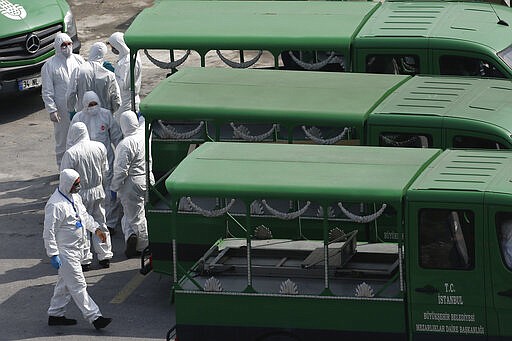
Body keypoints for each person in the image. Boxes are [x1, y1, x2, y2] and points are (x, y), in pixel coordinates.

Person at [43, 168, 112, 330]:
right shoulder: (55, 205)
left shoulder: (75, 198)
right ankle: (95, 317)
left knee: (65, 284)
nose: (79, 186)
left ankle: (55, 314)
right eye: (76, 184)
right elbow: (49, 232)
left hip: (76, 250)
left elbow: (84, 217)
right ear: (68, 184)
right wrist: (53, 254)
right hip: (65, 253)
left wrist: (96, 229)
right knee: (79, 285)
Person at [68, 91, 123, 235]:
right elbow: (70, 142)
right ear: (84, 105)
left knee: (109, 192)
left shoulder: (106, 115)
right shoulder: (78, 119)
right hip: (85, 163)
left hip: (105, 160)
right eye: (90, 105)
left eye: (95, 104)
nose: (93, 107)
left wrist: (121, 155)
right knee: (85, 195)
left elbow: (116, 137)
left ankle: (109, 223)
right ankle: (88, 223)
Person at [61, 122, 113, 270]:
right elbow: (105, 170)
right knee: (100, 222)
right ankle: (105, 255)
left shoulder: (71, 153)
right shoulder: (99, 147)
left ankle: (85, 260)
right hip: (98, 190)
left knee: (83, 227)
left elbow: (66, 176)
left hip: (80, 194)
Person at [41, 33, 85, 168]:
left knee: (81, 135)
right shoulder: (49, 66)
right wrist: (52, 110)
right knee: (63, 138)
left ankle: (80, 164)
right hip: (62, 109)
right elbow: (47, 90)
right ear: (57, 47)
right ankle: (62, 168)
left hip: (80, 105)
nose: (67, 47)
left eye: (69, 44)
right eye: (63, 45)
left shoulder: (79, 60)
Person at [111, 111, 149, 258]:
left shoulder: (125, 144)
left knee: (136, 217)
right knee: (131, 213)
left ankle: (143, 246)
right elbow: (144, 122)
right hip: (145, 179)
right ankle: (131, 237)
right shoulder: (143, 134)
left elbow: (121, 170)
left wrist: (114, 187)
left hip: (131, 184)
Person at [67, 42, 121, 115]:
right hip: (104, 116)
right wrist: (112, 111)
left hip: (84, 114)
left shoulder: (79, 70)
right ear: (104, 54)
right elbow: (116, 97)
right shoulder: (109, 75)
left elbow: (70, 93)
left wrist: (71, 109)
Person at [108, 32, 142, 114]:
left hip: (126, 101)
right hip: (125, 99)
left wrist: (111, 76)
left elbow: (124, 85)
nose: (112, 49)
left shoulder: (128, 61)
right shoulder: (126, 56)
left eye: (113, 47)